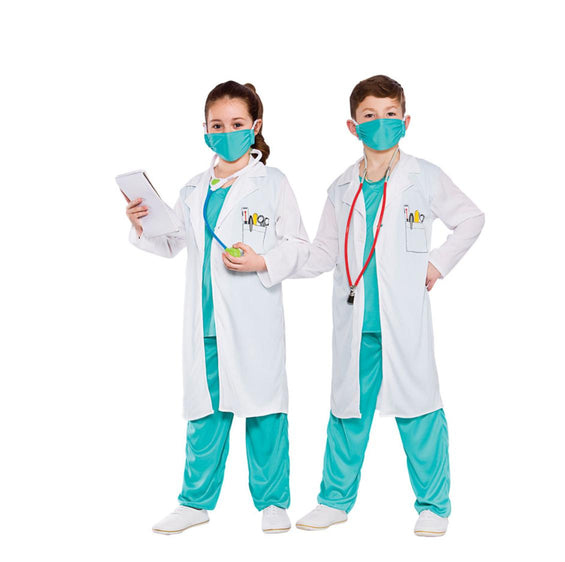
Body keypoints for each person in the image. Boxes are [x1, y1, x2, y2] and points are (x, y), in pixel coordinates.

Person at [294, 75, 485, 536]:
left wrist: (437, 263)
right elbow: (322, 253)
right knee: (347, 412)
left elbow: (471, 219)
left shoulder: (424, 177)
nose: (380, 122)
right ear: (352, 125)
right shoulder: (341, 187)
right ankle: (334, 502)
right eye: (369, 115)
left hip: (403, 319)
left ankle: (434, 506)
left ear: (406, 121)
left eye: (390, 114)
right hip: (357, 320)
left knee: (419, 410)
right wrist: (270, 261)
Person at [125, 80, 309, 534]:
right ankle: (194, 503)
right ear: (205, 130)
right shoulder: (193, 188)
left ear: (255, 126)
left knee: (265, 411)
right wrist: (142, 222)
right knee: (204, 414)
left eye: (236, 123)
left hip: (253, 320)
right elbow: (171, 244)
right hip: (204, 323)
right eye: (217, 125)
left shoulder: (273, 183)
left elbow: (300, 247)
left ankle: (273, 503)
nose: (226, 132)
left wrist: (262, 261)